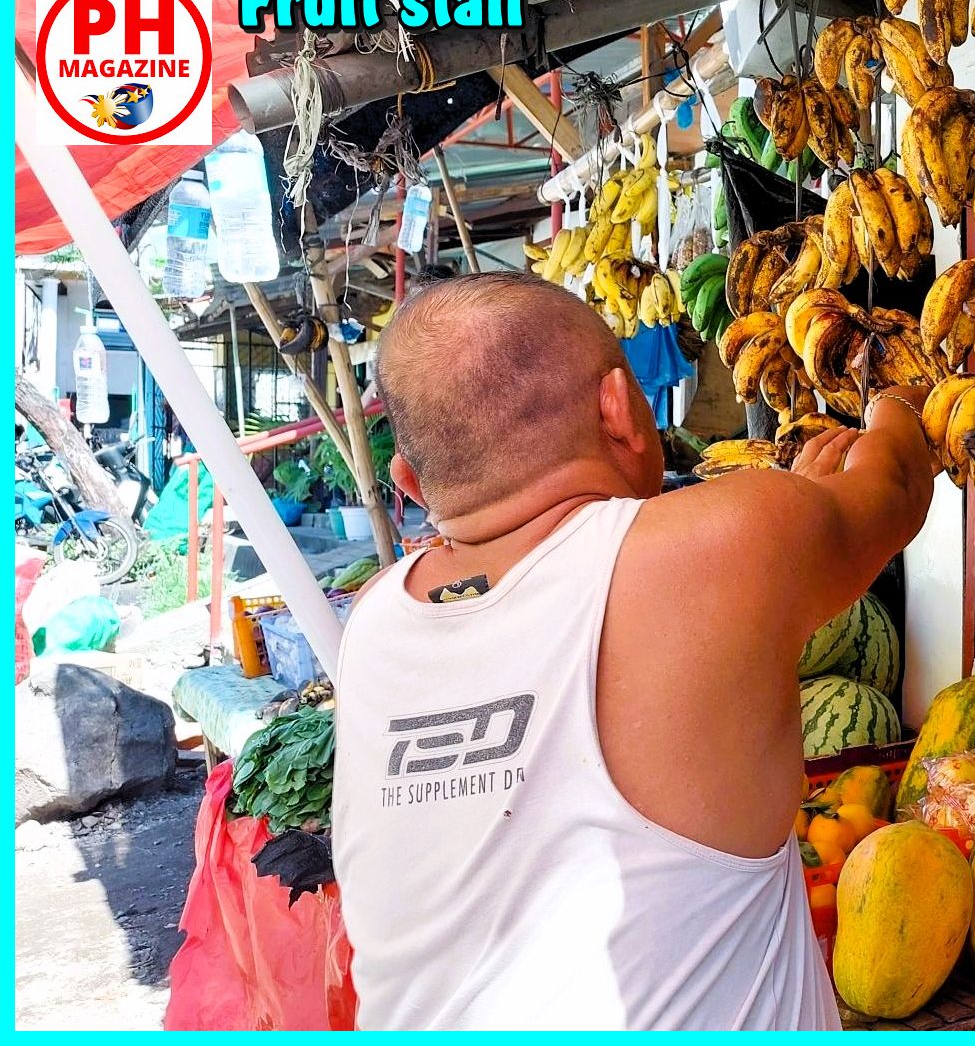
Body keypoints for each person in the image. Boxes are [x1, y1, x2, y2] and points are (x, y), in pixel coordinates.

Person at [331, 272, 936, 1030]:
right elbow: (900, 483)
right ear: (621, 408)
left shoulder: (373, 627)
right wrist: (903, 395)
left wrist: (778, 511)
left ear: (411, 484)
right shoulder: (725, 550)